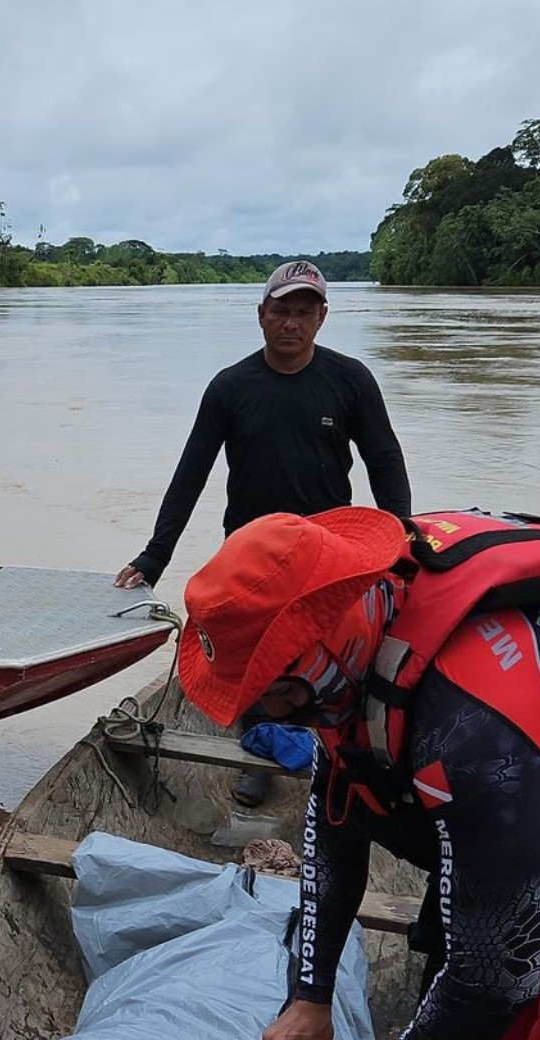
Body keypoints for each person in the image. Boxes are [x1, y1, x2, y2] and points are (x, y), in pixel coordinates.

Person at [176, 507, 540, 1040]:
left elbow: (496, 980)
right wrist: (310, 993)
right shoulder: (358, 641)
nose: (269, 719)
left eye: (274, 694)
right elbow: (336, 814)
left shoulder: (466, 732)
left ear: (326, 649)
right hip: (527, 818)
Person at [113, 260, 412, 807]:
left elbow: (385, 462)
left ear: (322, 317)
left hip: (328, 549)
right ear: (260, 315)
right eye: (281, 311)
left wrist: (403, 540)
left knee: (335, 654)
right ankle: (258, 758)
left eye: (304, 312)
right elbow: (191, 474)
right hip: (251, 557)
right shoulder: (231, 387)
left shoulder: (350, 380)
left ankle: (337, 755)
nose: (291, 323)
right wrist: (155, 557)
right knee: (252, 661)